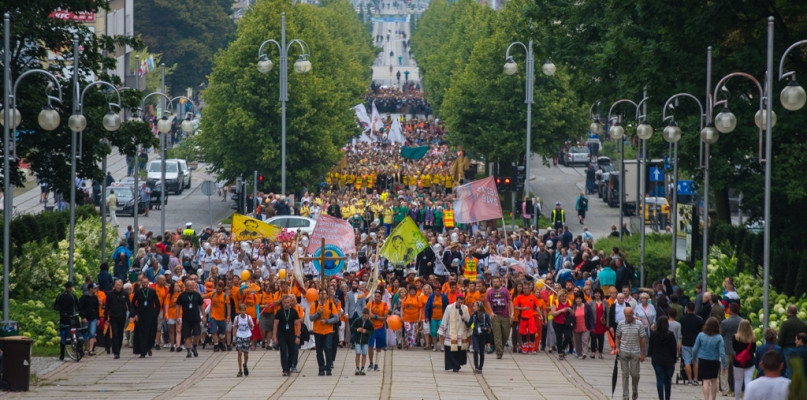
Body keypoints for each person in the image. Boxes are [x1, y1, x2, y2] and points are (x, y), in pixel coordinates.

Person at [616, 307, 647, 400]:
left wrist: (643, 354)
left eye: (629, 316)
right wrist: (617, 348)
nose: (628, 318)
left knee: (635, 374)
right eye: (626, 316)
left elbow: (642, 339)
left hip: (635, 351)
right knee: (625, 374)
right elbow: (617, 336)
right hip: (624, 351)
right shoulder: (621, 324)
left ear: (633, 314)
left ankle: (635, 390)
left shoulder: (639, 324)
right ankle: (625, 395)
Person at [693, 317, 727, 400]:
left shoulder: (701, 335)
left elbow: (695, 349)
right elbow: (722, 353)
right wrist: (724, 365)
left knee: (705, 381)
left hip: (703, 360)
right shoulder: (719, 338)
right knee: (714, 380)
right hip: (714, 361)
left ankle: (706, 398)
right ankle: (713, 399)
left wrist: (694, 358)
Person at [437, 294, 470, 372]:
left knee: (459, 350)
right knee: (451, 350)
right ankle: (454, 365)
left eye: (461, 302)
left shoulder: (465, 308)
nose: (460, 304)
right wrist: (442, 332)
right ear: (456, 300)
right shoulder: (449, 307)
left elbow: (468, 320)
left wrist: (471, 329)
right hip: (451, 332)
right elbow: (445, 319)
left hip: (461, 332)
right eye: (458, 302)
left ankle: (457, 365)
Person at [310, 288, 338, 376]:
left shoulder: (330, 304)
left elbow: (336, 318)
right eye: (321, 293)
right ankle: (321, 368)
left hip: (328, 330)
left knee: (328, 348)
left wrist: (327, 321)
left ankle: (328, 367)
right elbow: (311, 318)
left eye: (325, 293)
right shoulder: (314, 305)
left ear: (327, 295)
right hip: (318, 331)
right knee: (319, 350)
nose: (323, 295)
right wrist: (318, 313)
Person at [648, 316, 677, 400]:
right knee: (668, 380)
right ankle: (667, 398)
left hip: (657, 359)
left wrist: (651, 355)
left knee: (659, 379)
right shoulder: (670, 334)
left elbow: (651, 346)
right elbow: (673, 348)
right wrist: (674, 359)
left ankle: (661, 398)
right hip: (668, 360)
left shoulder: (654, 334)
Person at [131, 276, 161, 358]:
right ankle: (142, 352)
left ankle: (148, 347)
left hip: (150, 315)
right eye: (143, 282)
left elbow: (158, 305)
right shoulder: (138, 292)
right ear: (141, 283)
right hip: (140, 315)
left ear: (148, 283)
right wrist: (135, 314)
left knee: (151, 333)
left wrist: (155, 314)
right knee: (141, 334)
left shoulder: (152, 292)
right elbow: (133, 304)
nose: (144, 284)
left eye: (146, 282)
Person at [176, 277, 204, 358]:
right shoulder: (182, 295)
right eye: (189, 285)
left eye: (192, 285)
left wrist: (204, 315)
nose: (191, 287)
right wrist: (178, 316)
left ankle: (194, 347)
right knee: (187, 335)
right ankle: (188, 351)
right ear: (186, 286)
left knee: (197, 333)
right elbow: (178, 305)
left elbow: (201, 305)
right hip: (186, 318)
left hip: (196, 318)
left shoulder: (197, 295)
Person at [274, 295, 301, 376]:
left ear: (291, 303)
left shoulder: (294, 312)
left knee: (292, 352)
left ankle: (288, 367)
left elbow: (298, 324)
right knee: (283, 351)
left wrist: (298, 336)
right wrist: (275, 336)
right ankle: (285, 369)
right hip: (281, 334)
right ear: (282, 303)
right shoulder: (279, 312)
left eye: (288, 302)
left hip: (291, 334)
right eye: (285, 303)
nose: (286, 304)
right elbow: (275, 325)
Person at [485, 276, 512, 359]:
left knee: (505, 334)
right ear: (492, 283)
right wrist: (491, 312)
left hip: (505, 315)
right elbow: (487, 302)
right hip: (495, 316)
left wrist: (512, 314)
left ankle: (501, 347)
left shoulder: (505, 291)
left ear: (500, 282)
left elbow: (510, 302)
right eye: (494, 281)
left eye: (497, 281)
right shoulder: (490, 292)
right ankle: (499, 352)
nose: (496, 283)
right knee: (497, 335)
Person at [731, 319, 757, 400]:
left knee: (738, 381)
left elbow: (734, 348)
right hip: (749, 361)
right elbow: (754, 349)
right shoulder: (753, 337)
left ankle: (737, 398)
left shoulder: (735, 337)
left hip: (738, 361)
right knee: (748, 380)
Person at [53, 281, 79, 361]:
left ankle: (62, 355)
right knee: (74, 332)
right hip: (72, 318)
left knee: (63, 336)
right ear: (71, 287)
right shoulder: (73, 296)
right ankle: (76, 348)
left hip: (63, 318)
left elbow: (55, 307)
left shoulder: (60, 296)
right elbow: (77, 306)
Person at [778, 303, 807, 372]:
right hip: (802, 350)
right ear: (796, 312)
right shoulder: (803, 324)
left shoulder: (785, 324)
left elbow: (780, 340)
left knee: (790, 371)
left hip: (788, 349)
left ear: (788, 312)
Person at [721, 302, 742, 395]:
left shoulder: (725, 322)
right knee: (737, 371)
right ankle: (737, 390)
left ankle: (725, 389)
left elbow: (722, 334)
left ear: (730, 310)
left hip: (726, 348)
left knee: (724, 369)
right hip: (738, 348)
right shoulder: (742, 321)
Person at [681, 302, 705, 384]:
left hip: (685, 342)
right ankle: (696, 378)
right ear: (694, 309)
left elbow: (681, 332)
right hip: (696, 343)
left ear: (687, 309)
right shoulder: (699, 320)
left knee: (687, 361)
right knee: (695, 361)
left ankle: (689, 379)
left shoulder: (682, 319)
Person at [367, 290, 389, 370]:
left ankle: (376, 364)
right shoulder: (370, 304)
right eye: (375, 296)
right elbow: (366, 313)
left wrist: (375, 317)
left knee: (379, 347)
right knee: (370, 346)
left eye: (378, 296)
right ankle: (371, 363)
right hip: (371, 328)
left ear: (381, 297)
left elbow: (384, 317)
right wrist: (369, 315)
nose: (376, 298)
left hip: (380, 327)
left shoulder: (384, 305)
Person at [550, 289, 573, 361]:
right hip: (557, 322)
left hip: (566, 323)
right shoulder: (555, 302)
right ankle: (560, 353)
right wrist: (561, 310)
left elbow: (573, 313)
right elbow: (553, 313)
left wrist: (570, 310)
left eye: (565, 296)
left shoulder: (569, 302)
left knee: (568, 336)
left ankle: (563, 348)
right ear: (559, 296)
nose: (564, 298)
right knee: (559, 337)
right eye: (562, 296)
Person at [469, 300, 491, 374]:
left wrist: (485, 328)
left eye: (475, 306)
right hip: (475, 334)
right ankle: (476, 366)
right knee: (475, 350)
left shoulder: (485, 315)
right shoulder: (474, 315)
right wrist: (463, 319)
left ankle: (480, 367)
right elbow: (469, 324)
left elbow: (489, 325)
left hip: (483, 335)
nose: (473, 307)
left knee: (482, 352)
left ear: (479, 307)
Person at [571, 289, 594, 359]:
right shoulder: (573, 307)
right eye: (576, 299)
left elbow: (591, 316)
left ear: (582, 299)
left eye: (579, 299)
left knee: (585, 340)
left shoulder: (586, 306)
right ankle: (579, 354)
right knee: (577, 342)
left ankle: (584, 353)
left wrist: (592, 325)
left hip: (585, 327)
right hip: (576, 327)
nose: (578, 300)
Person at [78, 283, 100, 356]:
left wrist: (98, 318)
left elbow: (97, 309)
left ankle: (91, 349)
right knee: (85, 333)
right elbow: (80, 308)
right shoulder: (84, 297)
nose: (95, 290)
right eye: (94, 288)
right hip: (86, 317)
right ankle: (85, 348)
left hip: (93, 317)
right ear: (90, 289)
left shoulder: (95, 298)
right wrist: (82, 317)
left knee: (92, 333)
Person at [351, 308, 374, 375]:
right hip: (358, 340)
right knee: (358, 353)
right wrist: (357, 329)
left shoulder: (369, 322)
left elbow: (372, 331)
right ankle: (357, 368)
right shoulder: (357, 320)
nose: (364, 317)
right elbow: (352, 327)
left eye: (366, 316)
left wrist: (366, 331)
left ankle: (363, 367)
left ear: (368, 316)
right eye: (363, 315)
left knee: (364, 354)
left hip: (365, 341)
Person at [233, 304, 254, 377]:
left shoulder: (248, 317)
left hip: (246, 335)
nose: (243, 312)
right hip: (239, 335)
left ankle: (245, 364)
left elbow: (252, 327)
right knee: (239, 352)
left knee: (246, 353)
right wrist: (234, 337)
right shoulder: (237, 318)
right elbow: (235, 327)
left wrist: (249, 322)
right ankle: (240, 369)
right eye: (241, 310)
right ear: (239, 311)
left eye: (244, 310)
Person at [590, 287, 609, 359]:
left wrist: (607, 322)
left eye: (598, 293)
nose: (597, 294)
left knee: (601, 338)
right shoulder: (591, 302)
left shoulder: (605, 302)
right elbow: (589, 313)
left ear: (601, 294)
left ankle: (600, 353)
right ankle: (593, 352)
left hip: (601, 323)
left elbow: (607, 313)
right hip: (594, 323)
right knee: (593, 338)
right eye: (596, 293)